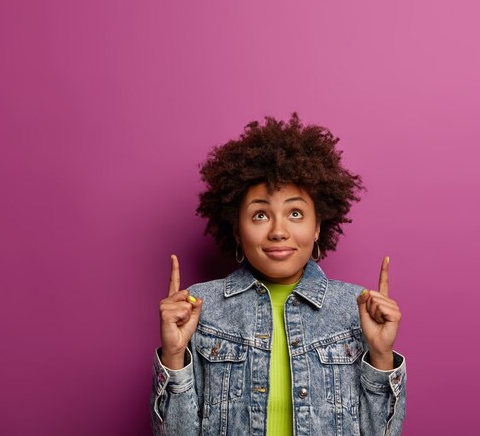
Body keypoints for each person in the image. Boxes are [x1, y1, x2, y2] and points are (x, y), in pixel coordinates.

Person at [150, 114, 406, 435]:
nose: (278, 231)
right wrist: (173, 356)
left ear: (317, 227)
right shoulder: (199, 307)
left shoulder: (357, 308)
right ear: (238, 231)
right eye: (260, 215)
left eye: (295, 213)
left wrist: (381, 356)